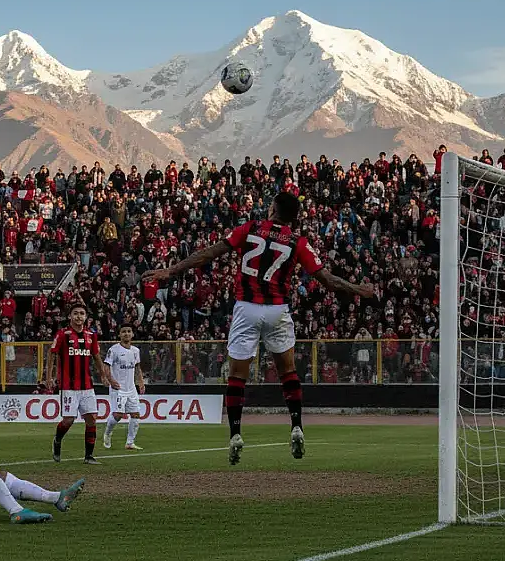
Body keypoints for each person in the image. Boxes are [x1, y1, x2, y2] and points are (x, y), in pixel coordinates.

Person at [143, 190, 375, 464]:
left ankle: (235, 434)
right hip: (277, 310)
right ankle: (297, 425)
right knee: (287, 371)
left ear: (273, 209)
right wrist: (358, 289)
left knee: (237, 375)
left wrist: (171, 271)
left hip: (247, 308)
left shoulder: (250, 228)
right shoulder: (297, 242)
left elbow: (208, 253)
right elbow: (327, 279)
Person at [45, 303, 114, 465]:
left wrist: (103, 375)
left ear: (86, 317)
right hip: (68, 386)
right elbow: (52, 354)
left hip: (87, 385)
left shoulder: (91, 335)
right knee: (68, 420)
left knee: (91, 419)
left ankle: (88, 456)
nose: (78, 316)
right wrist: (49, 376)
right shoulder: (63, 334)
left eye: (82, 313)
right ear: (70, 316)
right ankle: (57, 440)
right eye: (75, 313)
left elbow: (96, 357)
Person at [103, 323, 146, 450]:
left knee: (136, 414)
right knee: (118, 415)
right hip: (118, 388)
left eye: (129, 331)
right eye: (124, 331)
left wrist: (141, 382)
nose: (126, 333)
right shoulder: (114, 350)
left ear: (132, 334)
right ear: (119, 334)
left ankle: (130, 443)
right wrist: (111, 380)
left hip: (131, 388)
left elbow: (137, 367)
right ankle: (108, 432)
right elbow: (106, 366)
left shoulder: (135, 351)